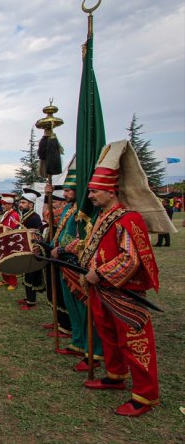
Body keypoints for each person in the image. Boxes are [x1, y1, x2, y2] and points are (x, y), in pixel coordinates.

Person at [80, 148, 165, 417]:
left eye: (95, 191)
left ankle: (145, 395)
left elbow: (131, 259)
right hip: (102, 290)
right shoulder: (102, 218)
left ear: (110, 192)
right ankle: (115, 376)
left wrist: (100, 273)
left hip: (125, 292)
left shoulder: (128, 218)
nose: (91, 196)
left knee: (135, 343)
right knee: (110, 337)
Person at [47, 174, 102, 368]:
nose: (66, 193)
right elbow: (58, 229)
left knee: (84, 309)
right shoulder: (69, 208)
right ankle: (78, 342)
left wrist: (61, 249)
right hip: (64, 263)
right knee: (72, 307)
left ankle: (93, 351)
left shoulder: (85, 211)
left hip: (76, 263)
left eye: (69, 190)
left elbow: (85, 238)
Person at [16, 189, 44, 309]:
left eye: (23, 203)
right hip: (26, 249)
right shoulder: (27, 216)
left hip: (32, 250)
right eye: (20, 203)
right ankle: (28, 297)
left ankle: (31, 301)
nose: (20, 205)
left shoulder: (34, 217)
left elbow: (34, 236)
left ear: (31, 205)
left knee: (31, 275)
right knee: (26, 274)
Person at [0, 193, 20, 291]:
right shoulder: (6, 213)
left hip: (10, 241)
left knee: (10, 262)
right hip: (3, 240)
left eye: (5, 204)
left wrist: (1, 227)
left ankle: (13, 283)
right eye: (3, 204)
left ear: (10, 205)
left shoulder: (14, 215)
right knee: (2, 260)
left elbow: (12, 228)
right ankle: (5, 280)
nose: (3, 206)